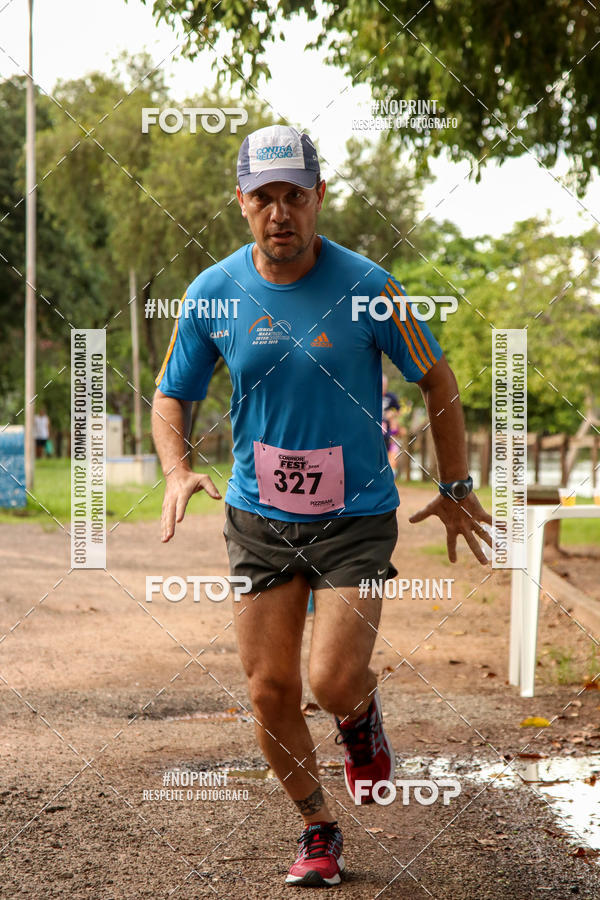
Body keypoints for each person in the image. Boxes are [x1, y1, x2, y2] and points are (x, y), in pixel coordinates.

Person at [151, 124, 492, 888]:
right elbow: (172, 394)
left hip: (355, 516)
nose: (281, 212)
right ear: (240, 203)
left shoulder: (370, 287)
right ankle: (317, 825)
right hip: (258, 518)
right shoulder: (213, 293)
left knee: (333, 680)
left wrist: (457, 485)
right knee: (269, 691)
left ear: (319, 198)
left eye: (294, 195)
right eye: (264, 197)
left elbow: (437, 379)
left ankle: (358, 715)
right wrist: (176, 468)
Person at [381, 373, 404, 479]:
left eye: (385, 384)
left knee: (392, 453)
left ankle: (391, 476)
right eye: (381, 384)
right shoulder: (371, 395)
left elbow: (400, 412)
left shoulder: (391, 397)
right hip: (375, 431)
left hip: (389, 432)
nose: (383, 387)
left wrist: (392, 414)